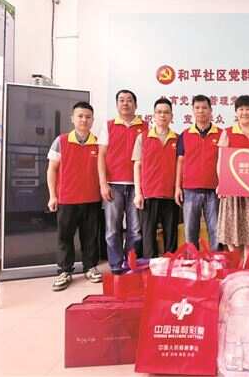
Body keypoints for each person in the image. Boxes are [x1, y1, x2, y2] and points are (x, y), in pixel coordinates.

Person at [47, 101, 103, 291]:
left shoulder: (98, 143)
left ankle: (90, 267)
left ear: (92, 120)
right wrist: (52, 196)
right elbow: (52, 169)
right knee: (65, 237)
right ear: (72, 118)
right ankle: (64, 271)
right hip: (67, 199)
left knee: (90, 237)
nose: (84, 120)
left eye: (88, 117)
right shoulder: (61, 141)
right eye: (80, 116)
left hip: (92, 199)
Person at [98, 89, 147, 273]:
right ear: (117, 104)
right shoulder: (108, 126)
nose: (125, 103)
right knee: (112, 229)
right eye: (121, 100)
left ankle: (130, 263)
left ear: (136, 104)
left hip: (137, 186)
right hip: (114, 185)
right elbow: (101, 156)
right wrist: (103, 184)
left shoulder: (146, 126)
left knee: (135, 230)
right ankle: (116, 265)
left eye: (129, 100)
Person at [217, 95, 249, 259]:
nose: (244, 112)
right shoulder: (228, 132)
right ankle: (235, 264)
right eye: (241, 109)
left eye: (248, 109)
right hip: (232, 190)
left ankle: (247, 264)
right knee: (231, 231)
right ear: (236, 112)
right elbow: (221, 161)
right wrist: (222, 184)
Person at [133, 98, 179, 257]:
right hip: (149, 194)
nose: (162, 115)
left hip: (170, 194)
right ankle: (150, 265)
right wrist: (138, 193)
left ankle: (171, 264)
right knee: (148, 234)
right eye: (159, 112)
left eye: (166, 112)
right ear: (153, 115)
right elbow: (137, 165)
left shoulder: (178, 139)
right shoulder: (143, 137)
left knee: (171, 234)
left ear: (171, 116)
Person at [175, 95, 222, 250]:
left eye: (204, 108)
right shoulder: (185, 135)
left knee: (216, 231)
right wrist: (177, 187)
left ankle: (217, 260)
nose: (201, 111)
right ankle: (192, 260)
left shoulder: (221, 134)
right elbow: (180, 161)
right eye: (197, 108)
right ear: (193, 110)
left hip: (214, 190)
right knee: (190, 232)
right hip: (190, 190)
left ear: (211, 110)